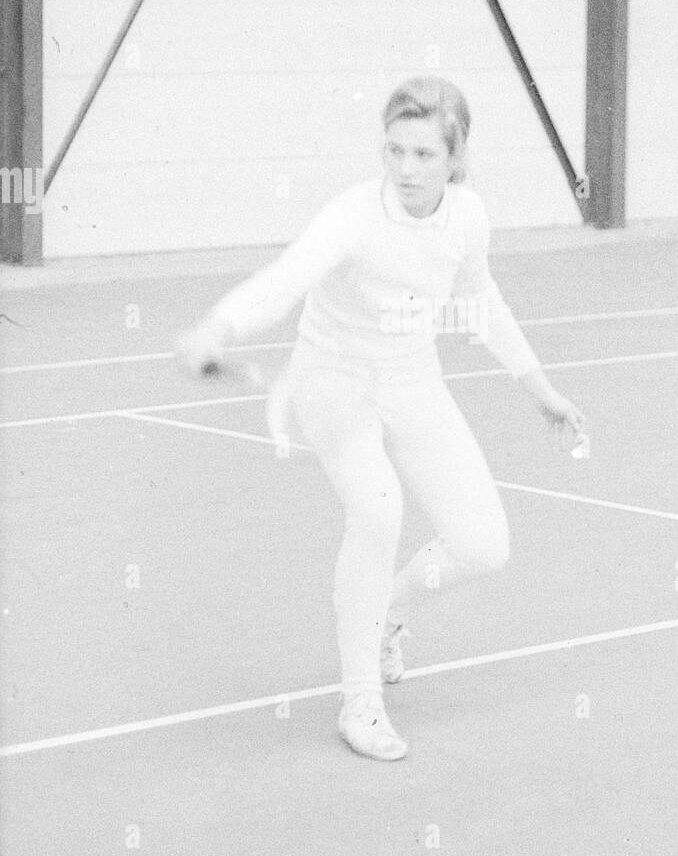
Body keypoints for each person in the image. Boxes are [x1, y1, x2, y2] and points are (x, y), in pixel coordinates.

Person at [177, 76, 584, 761]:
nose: (405, 169)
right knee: (378, 513)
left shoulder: (467, 218)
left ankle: (387, 615)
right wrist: (219, 325)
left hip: (411, 377)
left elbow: (481, 300)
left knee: (484, 544)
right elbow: (288, 276)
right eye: (394, 151)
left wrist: (540, 387)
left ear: (455, 159)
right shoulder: (354, 215)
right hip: (332, 381)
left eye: (424, 155)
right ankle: (360, 699)